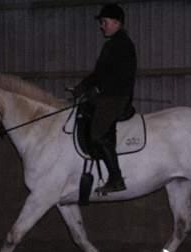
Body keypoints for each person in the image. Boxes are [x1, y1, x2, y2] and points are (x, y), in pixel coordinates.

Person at [73, 3, 137, 194]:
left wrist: (95, 90)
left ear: (117, 22)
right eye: (102, 22)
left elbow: (111, 76)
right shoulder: (113, 44)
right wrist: (82, 87)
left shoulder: (120, 45)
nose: (102, 26)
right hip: (109, 95)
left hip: (115, 97)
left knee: (98, 133)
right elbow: (99, 73)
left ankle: (116, 178)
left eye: (104, 22)